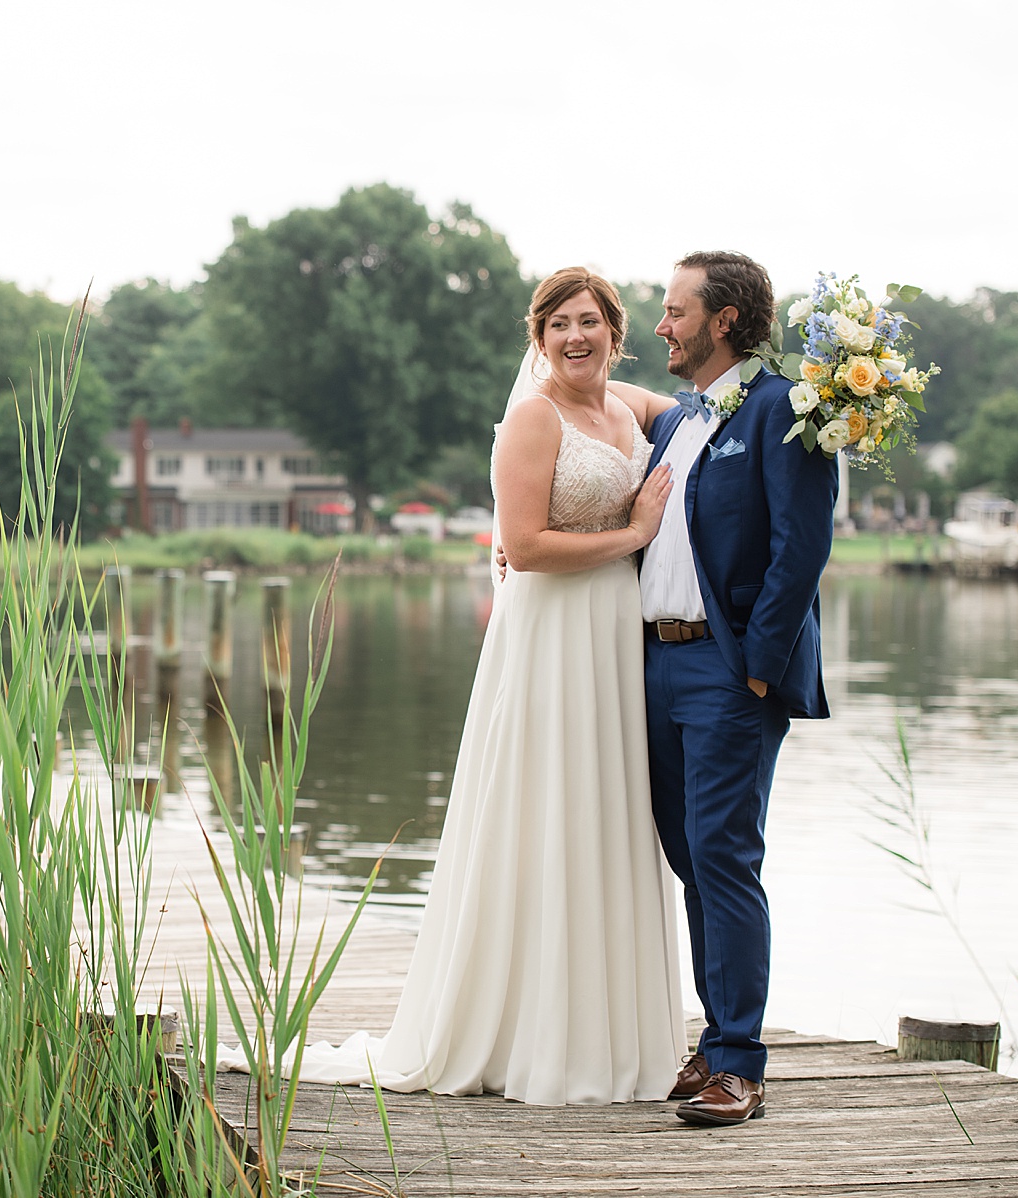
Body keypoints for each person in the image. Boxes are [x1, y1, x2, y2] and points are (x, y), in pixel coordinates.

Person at [287, 267, 685, 1104]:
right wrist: (636, 530)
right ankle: (524, 1032)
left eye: (589, 322)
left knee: (606, 815)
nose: (574, 338)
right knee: (545, 812)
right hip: (549, 636)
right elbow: (528, 546)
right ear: (538, 339)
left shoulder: (632, 409)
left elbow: (709, 407)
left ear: (616, 330)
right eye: (557, 325)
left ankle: (607, 1035)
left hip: (615, 638)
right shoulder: (532, 418)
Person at [641, 251, 838, 1126]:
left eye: (675, 310)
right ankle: (713, 1037)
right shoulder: (679, 420)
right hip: (654, 666)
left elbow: (802, 546)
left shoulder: (782, 411)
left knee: (724, 854)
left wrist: (756, 662)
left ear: (723, 320)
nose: (662, 326)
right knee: (688, 855)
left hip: (726, 670)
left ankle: (739, 1065)